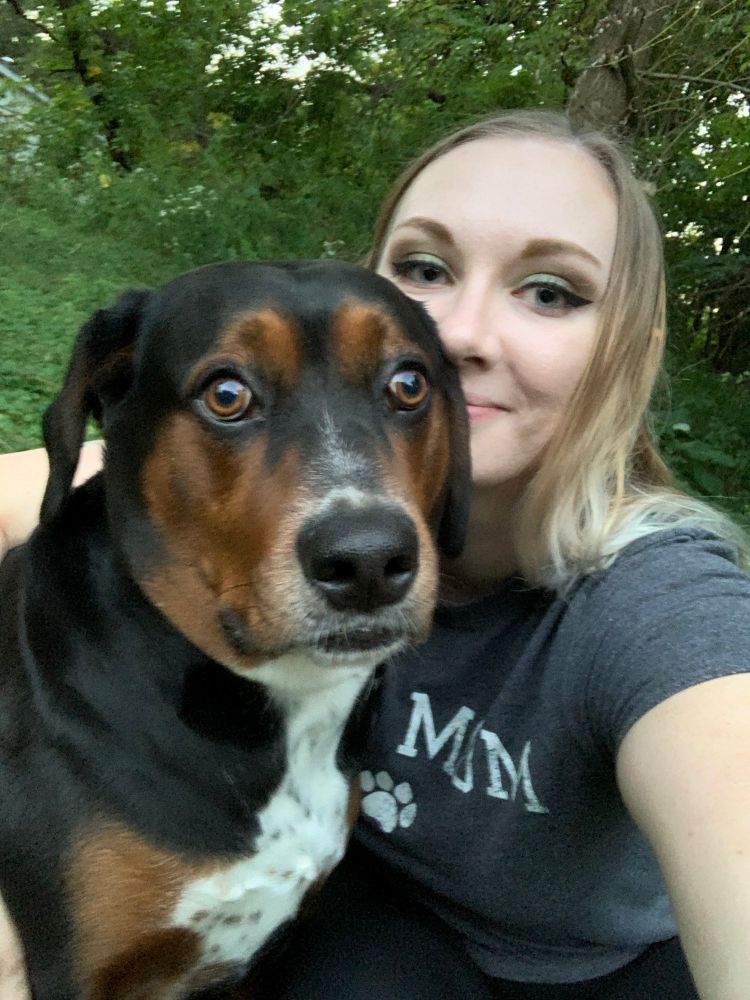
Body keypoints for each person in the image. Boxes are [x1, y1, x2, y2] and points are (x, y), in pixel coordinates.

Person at [1, 110, 749, 1000]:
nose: (462, 334)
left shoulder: (660, 604)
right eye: (425, 270)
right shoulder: (177, 488)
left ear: (630, 354)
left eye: (551, 292)